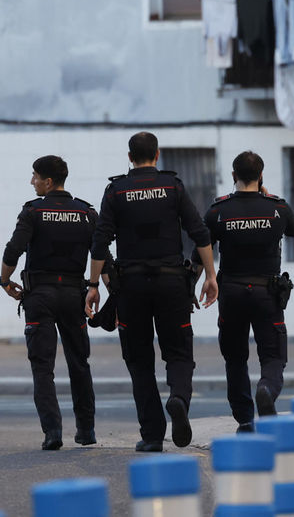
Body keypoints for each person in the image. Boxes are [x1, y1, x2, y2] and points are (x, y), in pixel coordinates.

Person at [84, 132, 219, 452]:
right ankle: (179, 399)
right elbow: (200, 233)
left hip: (131, 288)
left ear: (130, 157)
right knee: (179, 352)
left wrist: (92, 286)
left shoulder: (115, 190)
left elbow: (100, 243)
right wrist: (210, 276)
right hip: (172, 284)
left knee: (139, 360)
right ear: (156, 155)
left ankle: (153, 435)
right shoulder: (173, 186)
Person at [0, 156, 97, 451]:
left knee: (43, 367)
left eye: (35, 177)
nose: (32, 182)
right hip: (73, 295)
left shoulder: (33, 211)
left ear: (48, 182)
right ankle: (86, 430)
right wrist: (97, 287)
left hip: (39, 295)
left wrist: (4, 281)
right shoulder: (86, 213)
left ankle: (53, 432)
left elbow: (13, 249)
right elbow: (102, 254)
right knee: (79, 363)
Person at [203, 151, 294, 432]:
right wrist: (267, 199)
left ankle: (245, 419)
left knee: (235, 357)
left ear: (234, 176)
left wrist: (199, 282)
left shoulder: (217, 211)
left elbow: (202, 247)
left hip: (231, 292)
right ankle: (267, 390)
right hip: (267, 293)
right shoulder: (277, 208)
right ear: (261, 177)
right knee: (272, 356)